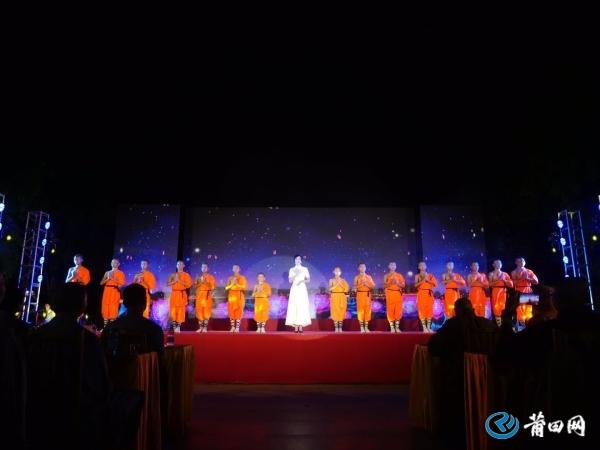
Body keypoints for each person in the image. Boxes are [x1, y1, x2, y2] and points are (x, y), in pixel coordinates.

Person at [27, 283, 110, 450]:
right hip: (77, 421)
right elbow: (102, 386)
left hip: (38, 417)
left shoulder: (34, 336)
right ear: (82, 305)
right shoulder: (89, 341)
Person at [428, 297, 498, 448]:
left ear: (456, 311)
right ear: (473, 309)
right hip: (487, 382)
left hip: (457, 381)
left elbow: (434, 347)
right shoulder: (488, 324)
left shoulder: (452, 325)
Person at [102, 283, 165, 358]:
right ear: (145, 303)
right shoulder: (155, 330)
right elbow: (160, 360)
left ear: (124, 303)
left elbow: (102, 358)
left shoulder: (110, 328)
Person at [286, 255, 312, 333]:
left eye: (299, 259)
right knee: (294, 305)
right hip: (294, 288)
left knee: (301, 305)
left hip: (302, 288)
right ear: (294, 260)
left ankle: (300, 326)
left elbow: (308, 280)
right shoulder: (292, 269)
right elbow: (290, 281)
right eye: (296, 259)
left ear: (301, 260)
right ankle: (295, 327)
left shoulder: (305, 269)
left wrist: (302, 281)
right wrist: (295, 275)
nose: (298, 260)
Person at [511, 257, 539, 327]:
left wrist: (527, 278)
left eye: (523, 261)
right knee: (520, 309)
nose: (522, 262)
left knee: (529, 310)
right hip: (520, 290)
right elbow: (513, 283)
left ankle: (529, 325)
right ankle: (521, 327)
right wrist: (522, 279)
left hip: (529, 290)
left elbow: (536, 281)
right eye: (520, 261)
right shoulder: (514, 272)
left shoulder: (529, 271)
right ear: (516, 262)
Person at [167, 261, 193, 332]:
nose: (179, 265)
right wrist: (175, 281)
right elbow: (168, 284)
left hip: (181, 294)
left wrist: (179, 281)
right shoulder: (173, 275)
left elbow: (189, 285)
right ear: (176, 265)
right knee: (173, 310)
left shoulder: (186, 275)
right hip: (174, 294)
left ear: (183, 265)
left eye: (181, 264)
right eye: (178, 264)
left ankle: (178, 326)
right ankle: (174, 326)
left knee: (181, 311)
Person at [100, 258, 126, 326]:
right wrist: (108, 278)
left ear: (118, 264)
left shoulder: (121, 273)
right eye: (112, 262)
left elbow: (122, 284)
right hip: (106, 290)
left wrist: (113, 278)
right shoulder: (107, 272)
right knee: (105, 306)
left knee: (113, 307)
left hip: (114, 291)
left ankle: (111, 326)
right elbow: (101, 283)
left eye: (115, 262)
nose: (114, 264)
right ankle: (105, 326)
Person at [488, 259, 514, 327]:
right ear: (493, 265)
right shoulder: (491, 274)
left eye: (500, 263)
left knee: (503, 307)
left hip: (503, 291)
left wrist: (505, 280)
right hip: (495, 291)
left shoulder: (505, 274)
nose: (498, 264)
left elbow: (511, 285)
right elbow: (490, 284)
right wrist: (499, 280)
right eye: (497, 263)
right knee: (496, 307)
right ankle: (499, 325)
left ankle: (505, 324)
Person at [415, 261, 438, 332]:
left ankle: (428, 327)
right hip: (421, 293)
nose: (422, 267)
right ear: (419, 267)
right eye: (421, 265)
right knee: (422, 310)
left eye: (423, 265)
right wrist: (423, 280)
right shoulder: (417, 276)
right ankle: (424, 327)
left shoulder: (430, 275)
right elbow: (415, 285)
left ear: (426, 267)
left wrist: (428, 280)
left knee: (429, 310)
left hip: (429, 294)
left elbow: (435, 284)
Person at [353, 263, 376, 333]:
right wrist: (361, 284)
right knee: (360, 310)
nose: (362, 268)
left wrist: (366, 284)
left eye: (364, 267)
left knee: (367, 310)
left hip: (367, 295)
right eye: (361, 267)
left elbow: (373, 286)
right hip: (360, 294)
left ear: (365, 268)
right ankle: (361, 327)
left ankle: (366, 327)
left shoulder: (369, 277)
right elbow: (354, 288)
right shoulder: (356, 277)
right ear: (358, 268)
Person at [383, 262, 406, 332]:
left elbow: (403, 285)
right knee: (390, 310)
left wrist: (397, 283)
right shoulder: (386, 276)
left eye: (394, 265)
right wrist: (390, 283)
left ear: (396, 267)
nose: (393, 266)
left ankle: (397, 327)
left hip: (398, 294)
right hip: (390, 294)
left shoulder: (399, 275)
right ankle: (392, 327)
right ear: (389, 266)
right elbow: (384, 286)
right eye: (391, 265)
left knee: (398, 310)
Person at [194, 263, 216, 333]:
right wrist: (200, 282)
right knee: (199, 310)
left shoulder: (211, 277)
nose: (204, 268)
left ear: (207, 268)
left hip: (207, 295)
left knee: (206, 311)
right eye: (202, 267)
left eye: (205, 267)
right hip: (199, 295)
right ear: (201, 268)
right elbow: (195, 286)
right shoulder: (198, 277)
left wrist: (205, 282)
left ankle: (205, 328)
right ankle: (200, 327)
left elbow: (212, 287)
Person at [225, 264, 247, 333]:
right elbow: (226, 288)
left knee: (239, 311)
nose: (235, 269)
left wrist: (237, 283)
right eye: (234, 268)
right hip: (231, 296)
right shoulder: (230, 278)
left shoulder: (242, 277)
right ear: (232, 269)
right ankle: (232, 327)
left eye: (237, 268)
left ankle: (237, 327)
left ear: (239, 269)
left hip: (239, 295)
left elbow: (244, 287)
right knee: (231, 311)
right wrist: (232, 284)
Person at [328, 267, 350, 333]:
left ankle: (340, 328)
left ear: (340, 272)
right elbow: (330, 289)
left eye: (338, 271)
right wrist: (337, 284)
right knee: (335, 311)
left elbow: (346, 289)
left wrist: (340, 284)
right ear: (333, 272)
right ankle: (336, 328)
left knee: (341, 311)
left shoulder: (343, 280)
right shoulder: (331, 280)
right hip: (334, 296)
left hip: (342, 297)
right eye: (336, 271)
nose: (337, 272)